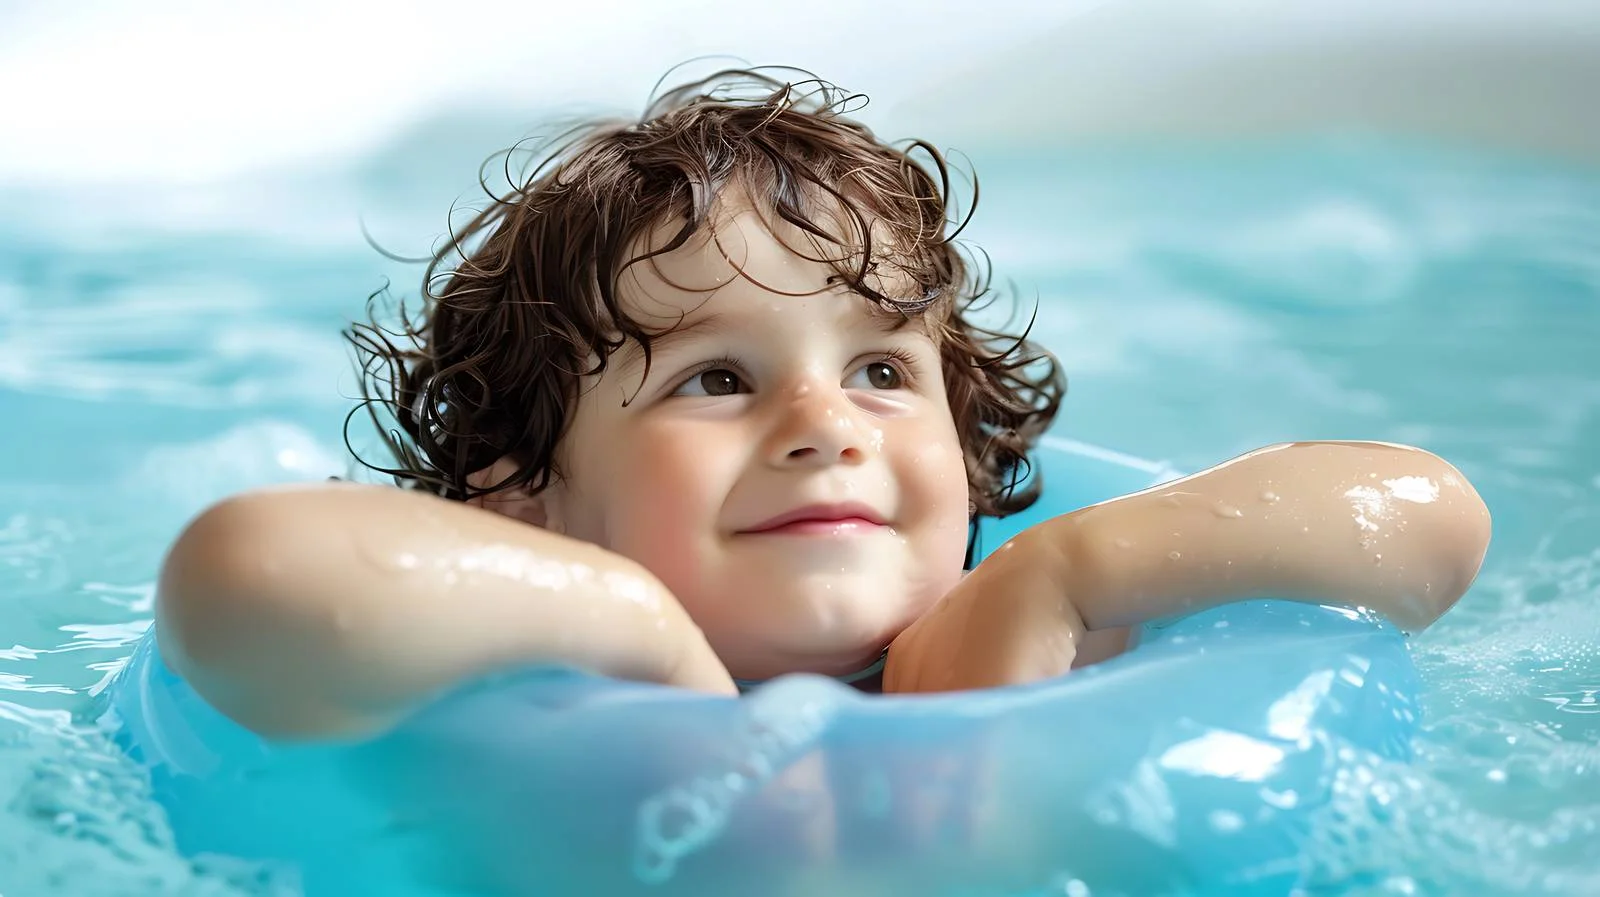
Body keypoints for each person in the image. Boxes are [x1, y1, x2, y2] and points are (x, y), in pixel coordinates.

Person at [153, 68, 1491, 740]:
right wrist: (643, 639)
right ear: (527, 494)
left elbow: (1427, 520)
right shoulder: (533, 681)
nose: (824, 422)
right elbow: (245, 576)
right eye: (715, 378)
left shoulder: (1065, 634)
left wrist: (1058, 581)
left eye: (882, 372)